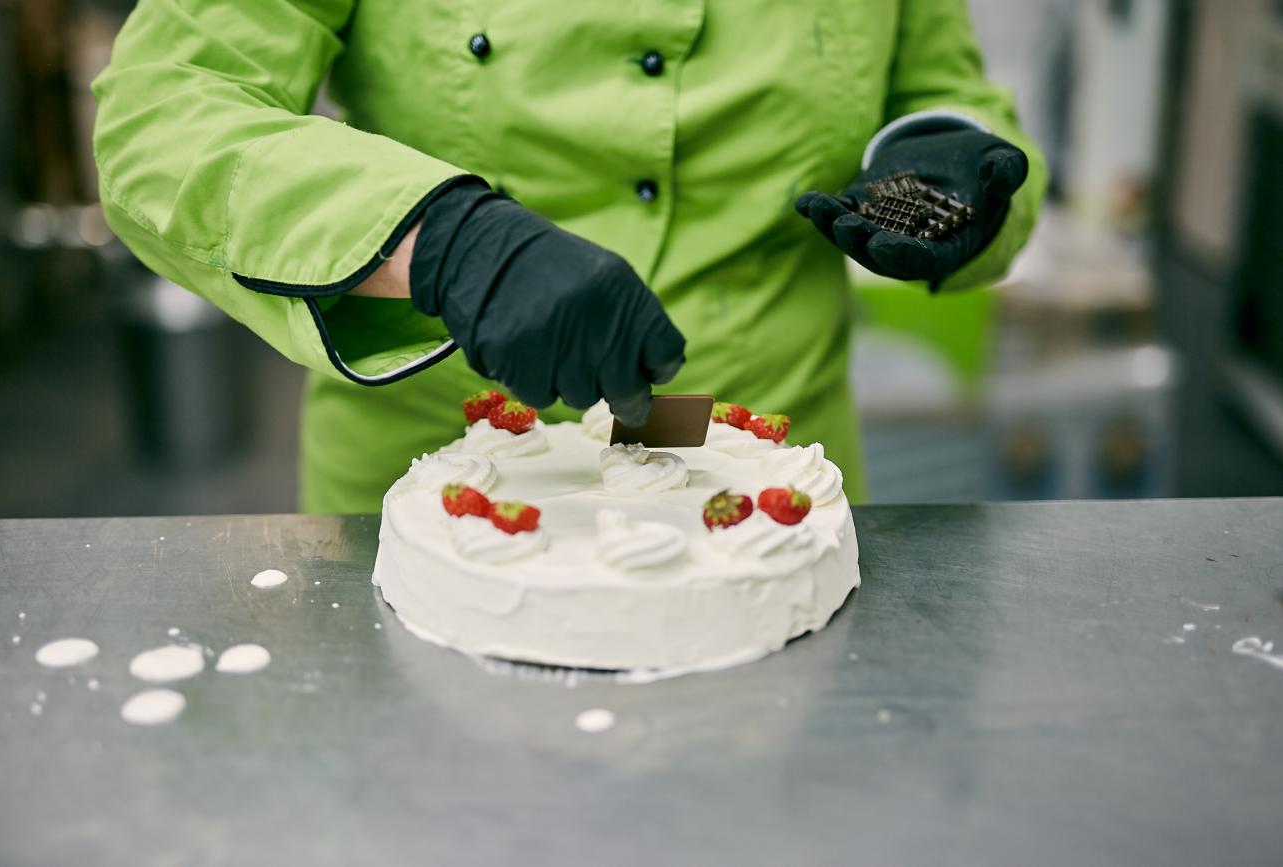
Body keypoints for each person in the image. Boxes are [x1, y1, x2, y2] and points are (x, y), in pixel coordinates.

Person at [92, 0, 1045, 513]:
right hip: (445, 478)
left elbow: (944, 87)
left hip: (764, 486)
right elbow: (162, 114)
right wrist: (447, 244)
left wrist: (942, 157)